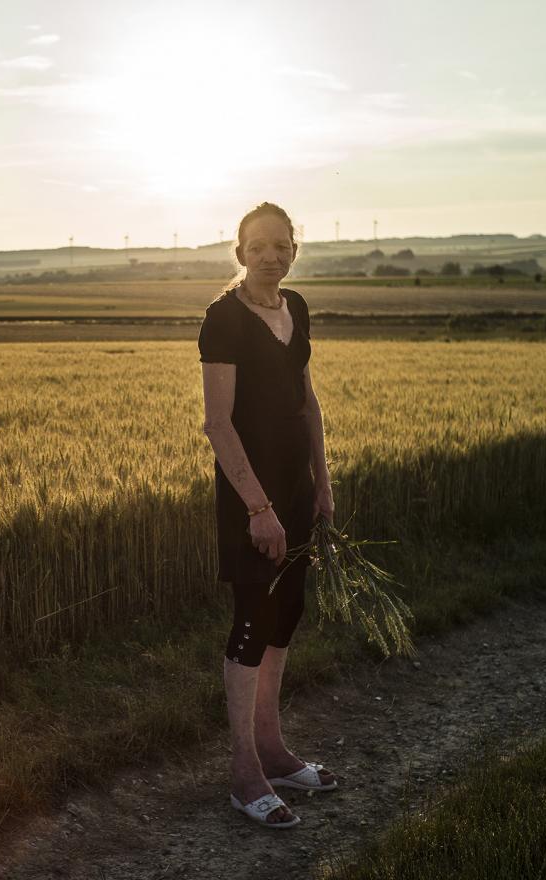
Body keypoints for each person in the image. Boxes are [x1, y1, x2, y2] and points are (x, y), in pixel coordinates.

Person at [198, 202, 338, 829]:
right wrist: (259, 508)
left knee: (288, 613)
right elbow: (218, 423)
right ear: (240, 251)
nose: (270, 257)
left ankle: (275, 752)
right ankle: (243, 771)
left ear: (294, 252)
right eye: (258, 246)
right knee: (253, 619)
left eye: (281, 246)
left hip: (298, 488)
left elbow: (308, 402)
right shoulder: (223, 319)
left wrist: (323, 485)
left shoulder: (297, 308)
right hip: (251, 494)